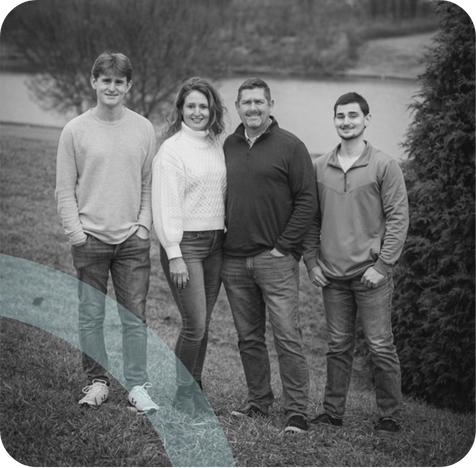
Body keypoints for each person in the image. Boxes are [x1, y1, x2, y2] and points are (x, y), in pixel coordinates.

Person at [55, 51, 159, 414]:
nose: (111, 87)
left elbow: (148, 184)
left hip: (132, 241)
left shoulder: (143, 128)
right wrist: (76, 234)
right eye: (105, 80)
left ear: (128, 85)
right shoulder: (75, 130)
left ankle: (137, 387)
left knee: (135, 317)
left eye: (119, 81)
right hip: (90, 240)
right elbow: (64, 189)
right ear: (93, 82)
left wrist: (143, 226)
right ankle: (97, 382)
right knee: (91, 316)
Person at [303, 92, 409, 436]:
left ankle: (390, 415)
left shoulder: (385, 166)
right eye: (340, 116)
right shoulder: (319, 167)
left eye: (353, 115)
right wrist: (311, 262)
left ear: (366, 119)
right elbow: (311, 220)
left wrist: (383, 266)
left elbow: (398, 219)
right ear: (334, 120)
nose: (346, 121)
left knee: (380, 346)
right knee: (337, 347)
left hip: (371, 276)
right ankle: (332, 412)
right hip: (332, 276)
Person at [220, 78, 318, 434]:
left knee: (287, 337)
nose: (253, 108)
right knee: (248, 338)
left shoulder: (291, 146)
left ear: (270, 105)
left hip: (275, 259)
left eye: (259, 102)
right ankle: (259, 402)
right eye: (246, 102)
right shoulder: (228, 145)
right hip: (234, 260)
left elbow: (307, 200)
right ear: (237, 107)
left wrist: (284, 246)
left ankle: (296, 412)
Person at [152, 77, 227, 416]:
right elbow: (165, 205)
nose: (197, 112)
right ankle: (183, 395)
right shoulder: (172, 150)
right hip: (186, 247)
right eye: (191, 105)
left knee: (204, 322)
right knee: (194, 323)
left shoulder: (215, 145)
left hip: (216, 244)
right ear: (181, 109)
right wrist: (175, 254)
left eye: (203, 106)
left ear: (213, 110)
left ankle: (195, 388)